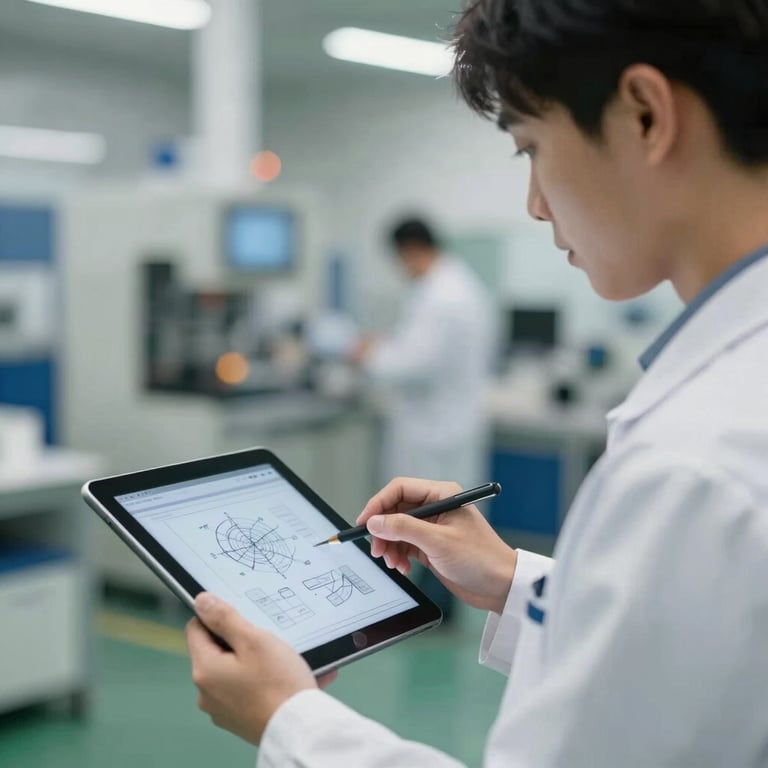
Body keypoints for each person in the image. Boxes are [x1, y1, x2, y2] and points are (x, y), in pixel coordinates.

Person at [185, 1, 768, 765]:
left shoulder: (695, 466)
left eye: (531, 147)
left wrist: (285, 718)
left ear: (644, 116)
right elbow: (688, 656)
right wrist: (512, 580)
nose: (534, 204)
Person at [349, 216, 496, 622]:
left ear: (410, 250)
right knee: (443, 522)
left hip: (434, 429)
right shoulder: (460, 286)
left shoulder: (442, 297)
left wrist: (368, 354)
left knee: (432, 524)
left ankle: (436, 608)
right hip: (449, 422)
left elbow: (414, 363)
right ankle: (439, 603)